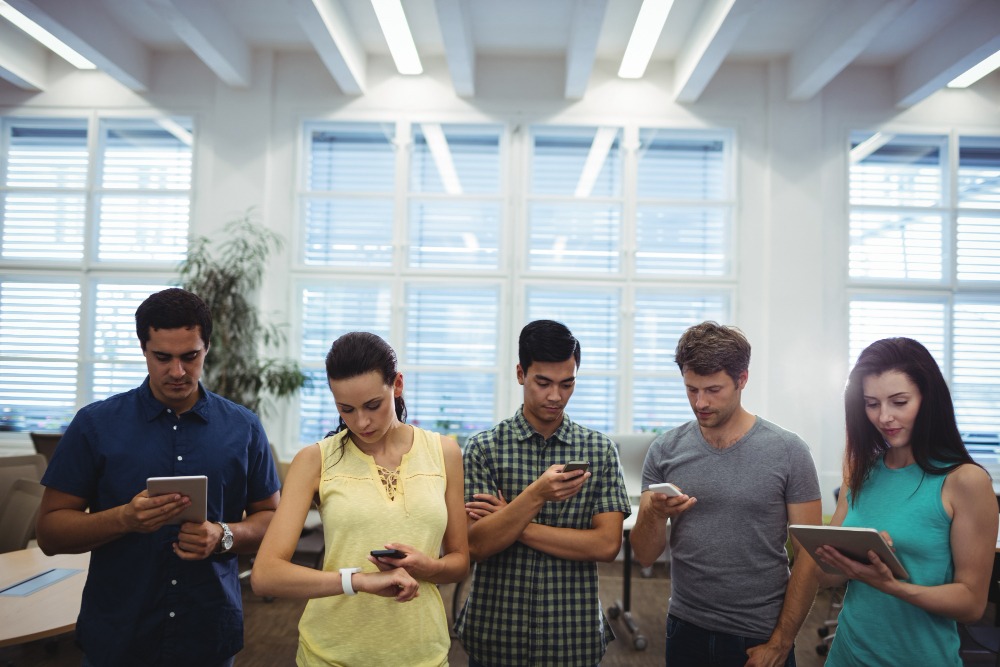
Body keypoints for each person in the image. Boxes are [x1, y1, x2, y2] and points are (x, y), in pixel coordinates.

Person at [36, 287, 281, 667]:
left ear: (208, 348)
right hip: (119, 634)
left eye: (190, 356)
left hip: (207, 632)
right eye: (162, 357)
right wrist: (123, 519)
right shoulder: (95, 425)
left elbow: (273, 522)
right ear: (143, 349)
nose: (178, 371)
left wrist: (223, 535)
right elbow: (50, 534)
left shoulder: (244, 428)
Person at [250, 331, 468, 666]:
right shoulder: (315, 460)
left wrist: (428, 566)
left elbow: (459, 563)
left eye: (372, 405)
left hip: (421, 652)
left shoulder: (444, 453)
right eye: (346, 409)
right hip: (332, 654)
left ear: (397, 385)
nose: (361, 422)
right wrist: (359, 581)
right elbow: (266, 575)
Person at [629, 320, 822, 667]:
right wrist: (654, 514)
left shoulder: (788, 451)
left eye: (713, 390)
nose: (700, 402)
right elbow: (644, 555)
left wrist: (780, 643)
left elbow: (810, 557)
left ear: (742, 380)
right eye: (691, 389)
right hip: (684, 628)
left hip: (759, 633)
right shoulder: (665, 450)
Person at [455, 319, 631, 666]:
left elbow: (606, 545)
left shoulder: (600, 450)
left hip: (571, 634)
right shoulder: (483, 449)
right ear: (521, 373)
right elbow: (476, 545)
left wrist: (511, 518)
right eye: (543, 383)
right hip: (496, 631)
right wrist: (535, 494)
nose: (556, 396)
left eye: (567, 384)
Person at [815, 337, 997, 666]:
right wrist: (850, 557)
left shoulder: (965, 481)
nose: (884, 417)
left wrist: (891, 584)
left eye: (899, 402)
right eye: (872, 403)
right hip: (847, 655)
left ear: (929, 400)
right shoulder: (860, 471)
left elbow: (972, 604)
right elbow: (828, 576)